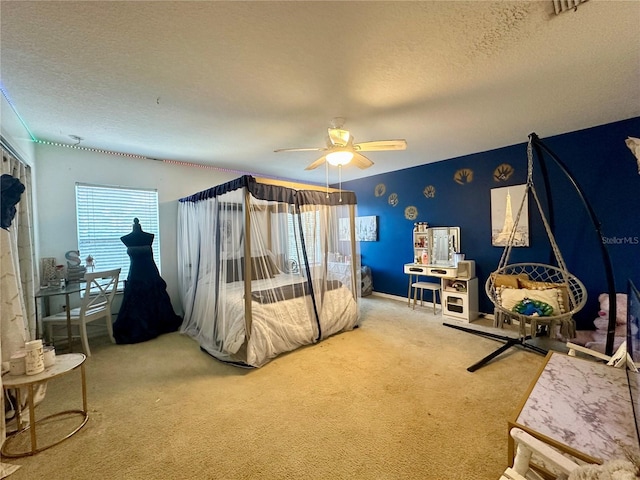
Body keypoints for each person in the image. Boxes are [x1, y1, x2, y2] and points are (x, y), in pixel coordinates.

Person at [113, 218, 182, 344]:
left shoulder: (150, 236)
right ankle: (143, 328)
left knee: (156, 298)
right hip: (135, 274)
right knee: (136, 301)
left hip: (150, 273)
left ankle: (159, 325)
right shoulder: (126, 238)